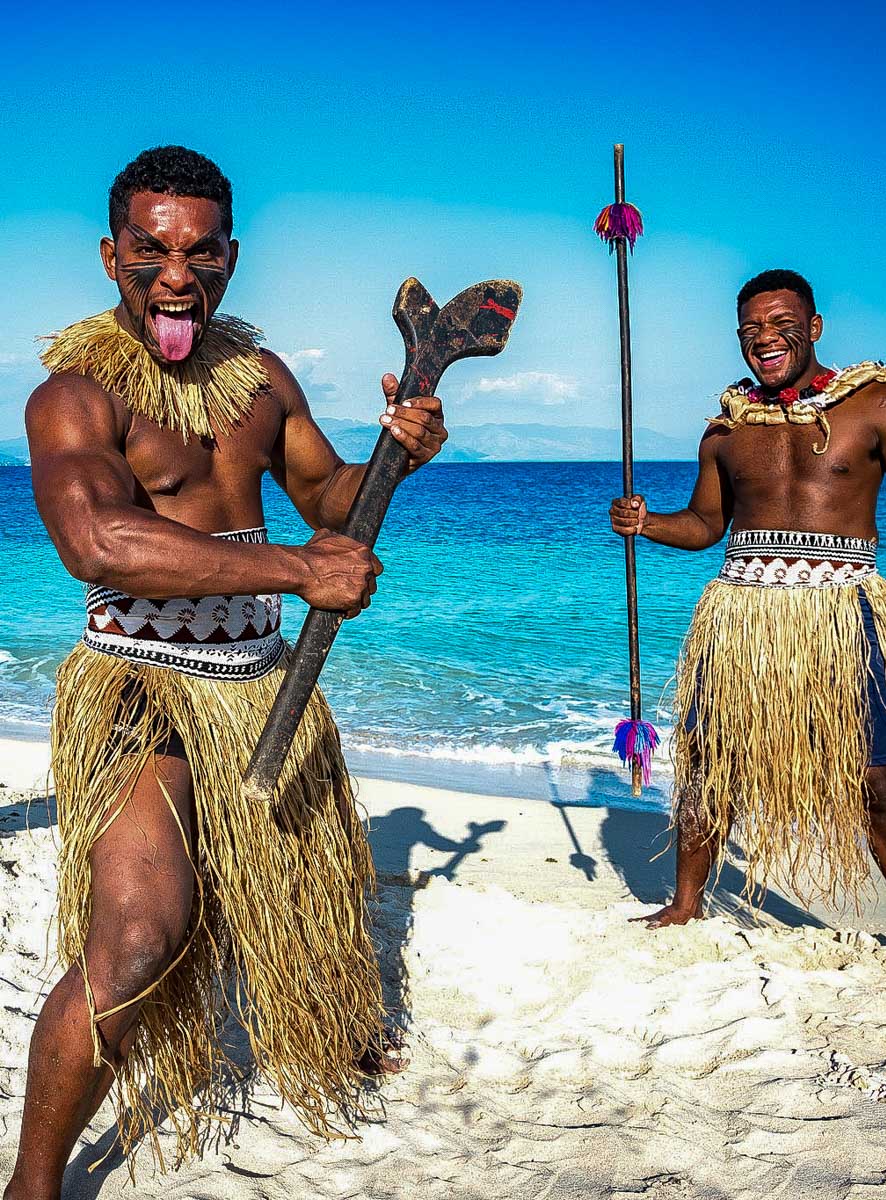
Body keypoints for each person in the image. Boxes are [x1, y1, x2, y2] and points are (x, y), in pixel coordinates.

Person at [4, 144, 448, 1198]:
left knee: (308, 889)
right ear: (112, 254)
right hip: (143, 697)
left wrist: (400, 453)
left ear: (231, 257)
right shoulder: (72, 397)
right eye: (152, 251)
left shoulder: (261, 381)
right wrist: (300, 570)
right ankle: (30, 1185)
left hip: (262, 685)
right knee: (136, 942)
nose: (176, 275)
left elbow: (333, 498)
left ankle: (331, 1033)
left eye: (201, 253)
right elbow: (98, 543)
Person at [610, 268, 886, 984]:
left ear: (815, 326)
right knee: (710, 764)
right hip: (740, 615)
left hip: (838, 615)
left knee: (878, 777)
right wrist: (648, 525)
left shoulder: (877, 405)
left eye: (779, 324)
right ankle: (684, 903)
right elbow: (707, 524)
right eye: (751, 330)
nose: (765, 339)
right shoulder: (726, 429)